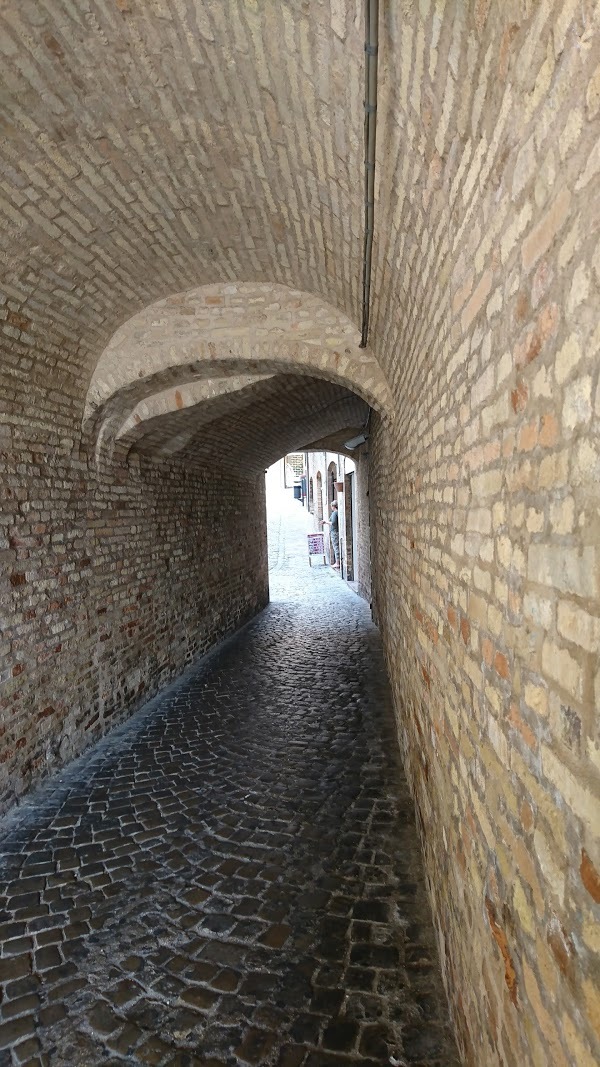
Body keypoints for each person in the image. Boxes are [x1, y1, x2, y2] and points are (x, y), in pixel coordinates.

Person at [323, 500, 340, 569]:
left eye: (331, 506)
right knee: (336, 547)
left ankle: (337, 563)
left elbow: (333, 523)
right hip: (337, 532)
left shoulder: (334, 513)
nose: (331, 507)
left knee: (336, 547)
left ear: (333, 506)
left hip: (335, 532)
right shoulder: (337, 512)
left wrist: (326, 522)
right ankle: (337, 562)